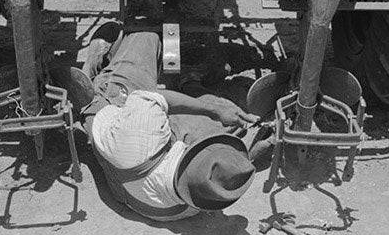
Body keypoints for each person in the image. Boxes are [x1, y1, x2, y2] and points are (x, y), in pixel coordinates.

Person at [64, 29, 259, 222]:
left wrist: (212, 111)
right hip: (145, 199)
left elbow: (155, 97)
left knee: (147, 36)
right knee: (230, 115)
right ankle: (190, 83)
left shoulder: (142, 136)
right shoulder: (194, 204)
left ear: (190, 152)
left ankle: (91, 76)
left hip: (116, 121)